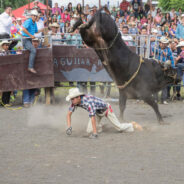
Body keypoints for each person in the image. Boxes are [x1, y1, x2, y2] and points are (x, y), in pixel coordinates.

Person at [66, 88, 142, 139]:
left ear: (78, 97)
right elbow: (69, 114)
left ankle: (132, 125)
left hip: (106, 110)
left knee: (119, 128)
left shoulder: (88, 102)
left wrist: (95, 133)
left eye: (72, 98)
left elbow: (92, 117)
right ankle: (99, 127)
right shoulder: (74, 102)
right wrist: (69, 127)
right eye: (71, 99)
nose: (71, 100)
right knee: (89, 131)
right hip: (97, 112)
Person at [22, 9, 44, 74]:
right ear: (32, 16)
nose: (36, 17)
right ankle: (30, 67)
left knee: (30, 51)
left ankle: (30, 67)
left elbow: (36, 31)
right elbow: (23, 29)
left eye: (36, 16)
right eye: (35, 16)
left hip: (29, 39)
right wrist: (31, 35)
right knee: (33, 50)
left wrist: (42, 30)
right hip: (25, 39)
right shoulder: (29, 21)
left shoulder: (34, 23)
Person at [22, 38, 41, 108]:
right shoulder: (26, 50)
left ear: (39, 43)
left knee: (35, 85)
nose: (35, 43)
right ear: (31, 42)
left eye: (37, 41)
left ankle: (31, 100)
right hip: (26, 70)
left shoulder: (41, 49)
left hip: (37, 70)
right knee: (26, 84)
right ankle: (26, 101)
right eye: (34, 41)